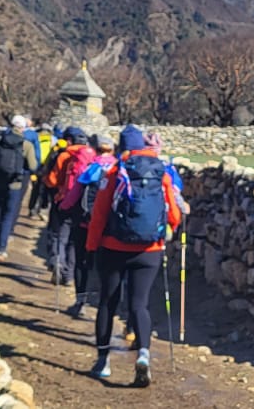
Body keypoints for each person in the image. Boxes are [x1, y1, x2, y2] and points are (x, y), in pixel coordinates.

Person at [86, 125, 183, 385]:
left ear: (122, 147)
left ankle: (103, 361)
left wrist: (92, 246)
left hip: (113, 248)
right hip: (149, 250)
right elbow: (174, 214)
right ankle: (143, 355)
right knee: (139, 304)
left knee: (107, 302)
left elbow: (99, 214)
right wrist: (165, 232)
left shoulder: (114, 172)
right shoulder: (161, 172)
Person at [53, 127, 100, 315]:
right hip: (103, 225)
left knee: (74, 250)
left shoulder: (74, 160)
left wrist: (63, 205)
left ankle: (79, 297)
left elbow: (60, 183)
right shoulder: (115, 167)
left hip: (80, 216)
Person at [0, 115, 38, 263]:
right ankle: (1, 250)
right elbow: (33, 166)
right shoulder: (26, 145)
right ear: (23, 128)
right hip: (14, 185)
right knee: (7, 217)